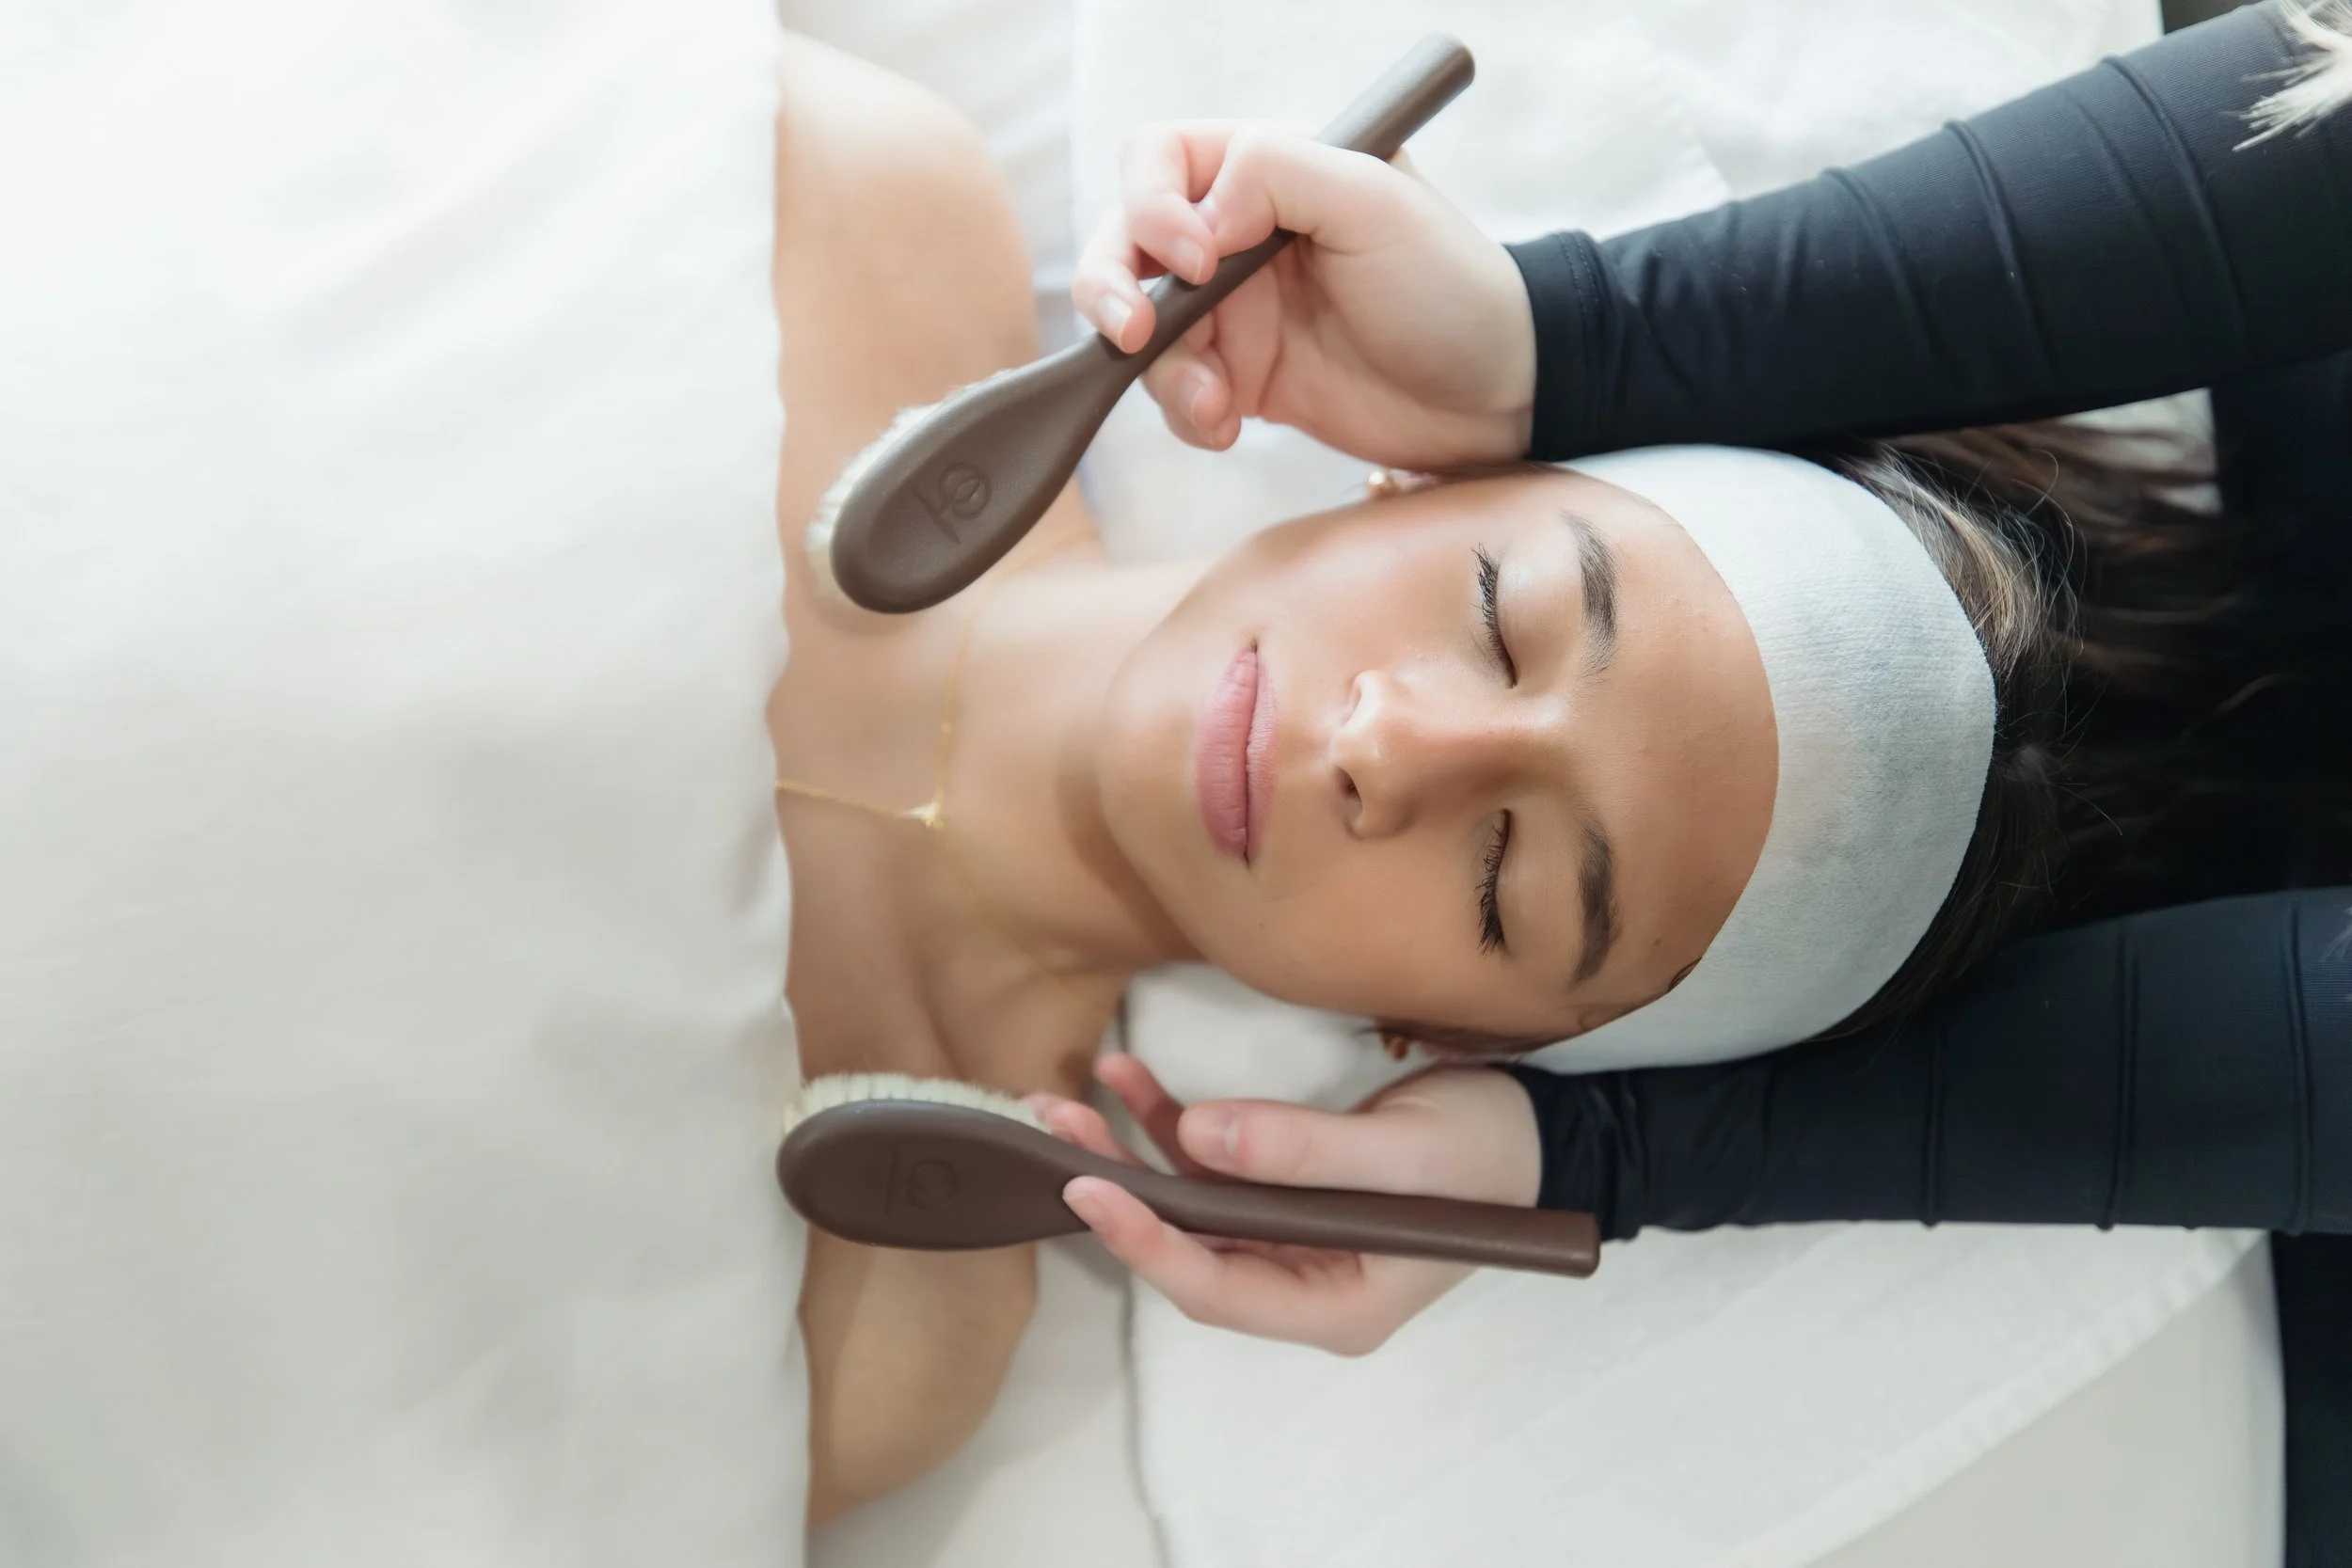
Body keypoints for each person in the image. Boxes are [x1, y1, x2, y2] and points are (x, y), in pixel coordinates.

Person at [773, 5, 2341, 1524]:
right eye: (1497, 616)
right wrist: (1559, 339)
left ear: (1440, 1036)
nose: (1388, 750)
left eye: (1504, 882)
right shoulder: (835, 214)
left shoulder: (877, 1325)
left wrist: (1571, 1164)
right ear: (1416, 479)